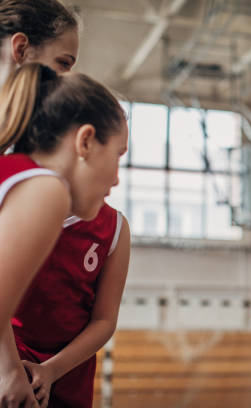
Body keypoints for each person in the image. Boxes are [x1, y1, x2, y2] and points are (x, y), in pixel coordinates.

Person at [0, 3, 131, 407]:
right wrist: (9, 371)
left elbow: (103, 321)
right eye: (118, 156)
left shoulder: (14, 170)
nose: (116, 177)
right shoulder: (43, 189)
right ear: (86, 141)